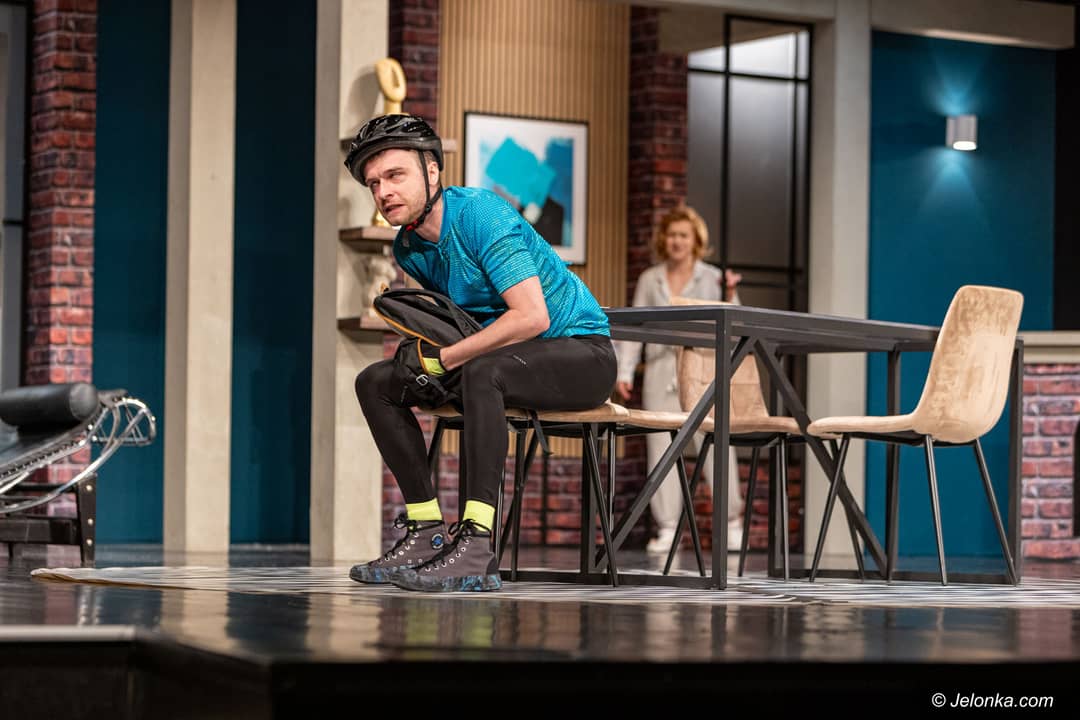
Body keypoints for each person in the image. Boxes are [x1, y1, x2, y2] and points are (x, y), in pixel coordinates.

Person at [344, 114, 616, 593]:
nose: (383, 192)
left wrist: (446, 359)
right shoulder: (408, 248)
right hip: (504, 360)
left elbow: (531, 317)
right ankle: (426, 530)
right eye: (374, 184)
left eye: (395, 175)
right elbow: (458, 324)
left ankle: (475, 546)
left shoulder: (480, 215)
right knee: (376, 381)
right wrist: (423, 354)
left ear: (432, 171)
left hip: (581, 353)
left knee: (481, 372)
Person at [615, 206, 745, 555]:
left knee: (716, 445)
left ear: (695, 240)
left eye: (683, 235)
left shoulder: (714, 278)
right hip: (661, 371)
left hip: (702, 370)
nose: (677, 241)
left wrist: (730, 293)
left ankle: (731, 523)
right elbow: (635, 326)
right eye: (672, 235)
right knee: (661, 448)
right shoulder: (650, 279)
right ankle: (668, 528)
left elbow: (735, 325)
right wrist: (625, 371)